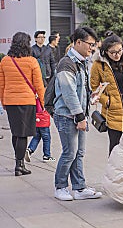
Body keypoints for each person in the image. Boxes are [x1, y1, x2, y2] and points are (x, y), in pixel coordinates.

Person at [53, 27, 103, 201]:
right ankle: (60, 187)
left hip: (78, 114)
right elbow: (68, 93)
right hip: (67, 116)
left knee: (79, 153)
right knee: (69, 153)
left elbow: (80, 91)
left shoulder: (82, 62)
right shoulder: (67, 63)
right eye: (90, 44)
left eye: (94, 45)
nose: (92, 48)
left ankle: (79, 188)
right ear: (78, 42)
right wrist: (80, 117)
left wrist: (91, 98)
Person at [90, 32, 123, 155]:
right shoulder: (99, 65)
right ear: (105, 52)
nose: (117, 55)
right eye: (113, 53)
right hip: (113, 111)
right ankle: (114, 173)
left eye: (119, 51)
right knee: (115, 148)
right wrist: (106, 101)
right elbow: (94, 87)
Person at [0, 32, 45, 176]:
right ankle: (19, 166)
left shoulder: (5, 61)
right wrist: (43, 104)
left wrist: (3, 101)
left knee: (16, 132)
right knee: (23, 134)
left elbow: (1, 84)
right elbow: (39, 85)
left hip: (11, 101)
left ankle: (19, 162)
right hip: (27, 101)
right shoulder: (32, 61)